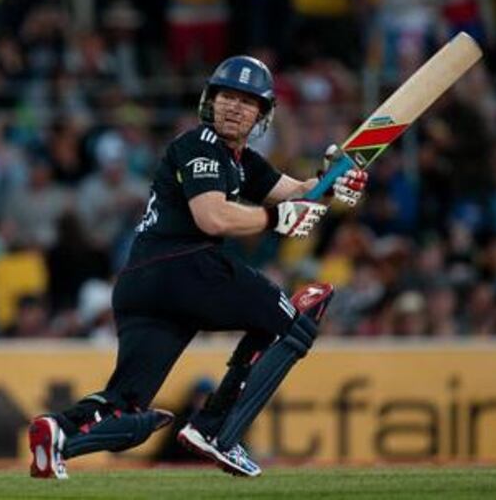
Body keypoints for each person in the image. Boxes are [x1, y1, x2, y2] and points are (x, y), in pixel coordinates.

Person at [27, 55, 368, 478]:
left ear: (262, 114)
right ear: (211, 99)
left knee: (126, 406)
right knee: (293, 323)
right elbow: (214, 217)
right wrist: (274, 219)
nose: (234, 106)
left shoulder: (243, 162)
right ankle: (217, 430)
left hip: (141, 283)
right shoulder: (199, 145)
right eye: (228, 96)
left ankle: (56, 434)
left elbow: (299, 193)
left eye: (247, 101)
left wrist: (333, 180)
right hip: (183, 267)